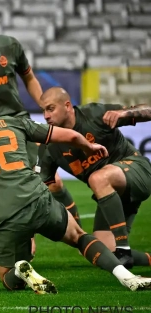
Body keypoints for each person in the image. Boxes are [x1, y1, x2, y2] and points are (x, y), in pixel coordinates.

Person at [0, 89, 151, 293]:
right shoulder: (12, 122)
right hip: (38, 199)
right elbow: (71, 136)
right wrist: (89, 146)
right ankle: (127, 277)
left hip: (3, 218)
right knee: (79, 237)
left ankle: (20, 270)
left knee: (7, 278)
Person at [0, 1, 81, 226]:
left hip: (18, 121)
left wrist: (43, 105)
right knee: (4, 192)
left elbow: (29, 77)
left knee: (53, 183)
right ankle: (17, 237)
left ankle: (77, 227)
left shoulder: (10, 46)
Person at [38, 87, 151, 269]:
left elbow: (148, 111)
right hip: (111, 194)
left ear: (67, 106)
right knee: (104, 253)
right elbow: (45, 187)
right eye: (43, 110)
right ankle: (135, 257)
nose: (46, 116)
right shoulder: (50, 146)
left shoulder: (94, 114)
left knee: (97, 178)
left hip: (138, 171)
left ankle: (123, 248)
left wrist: (124, 113)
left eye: (50, 109)